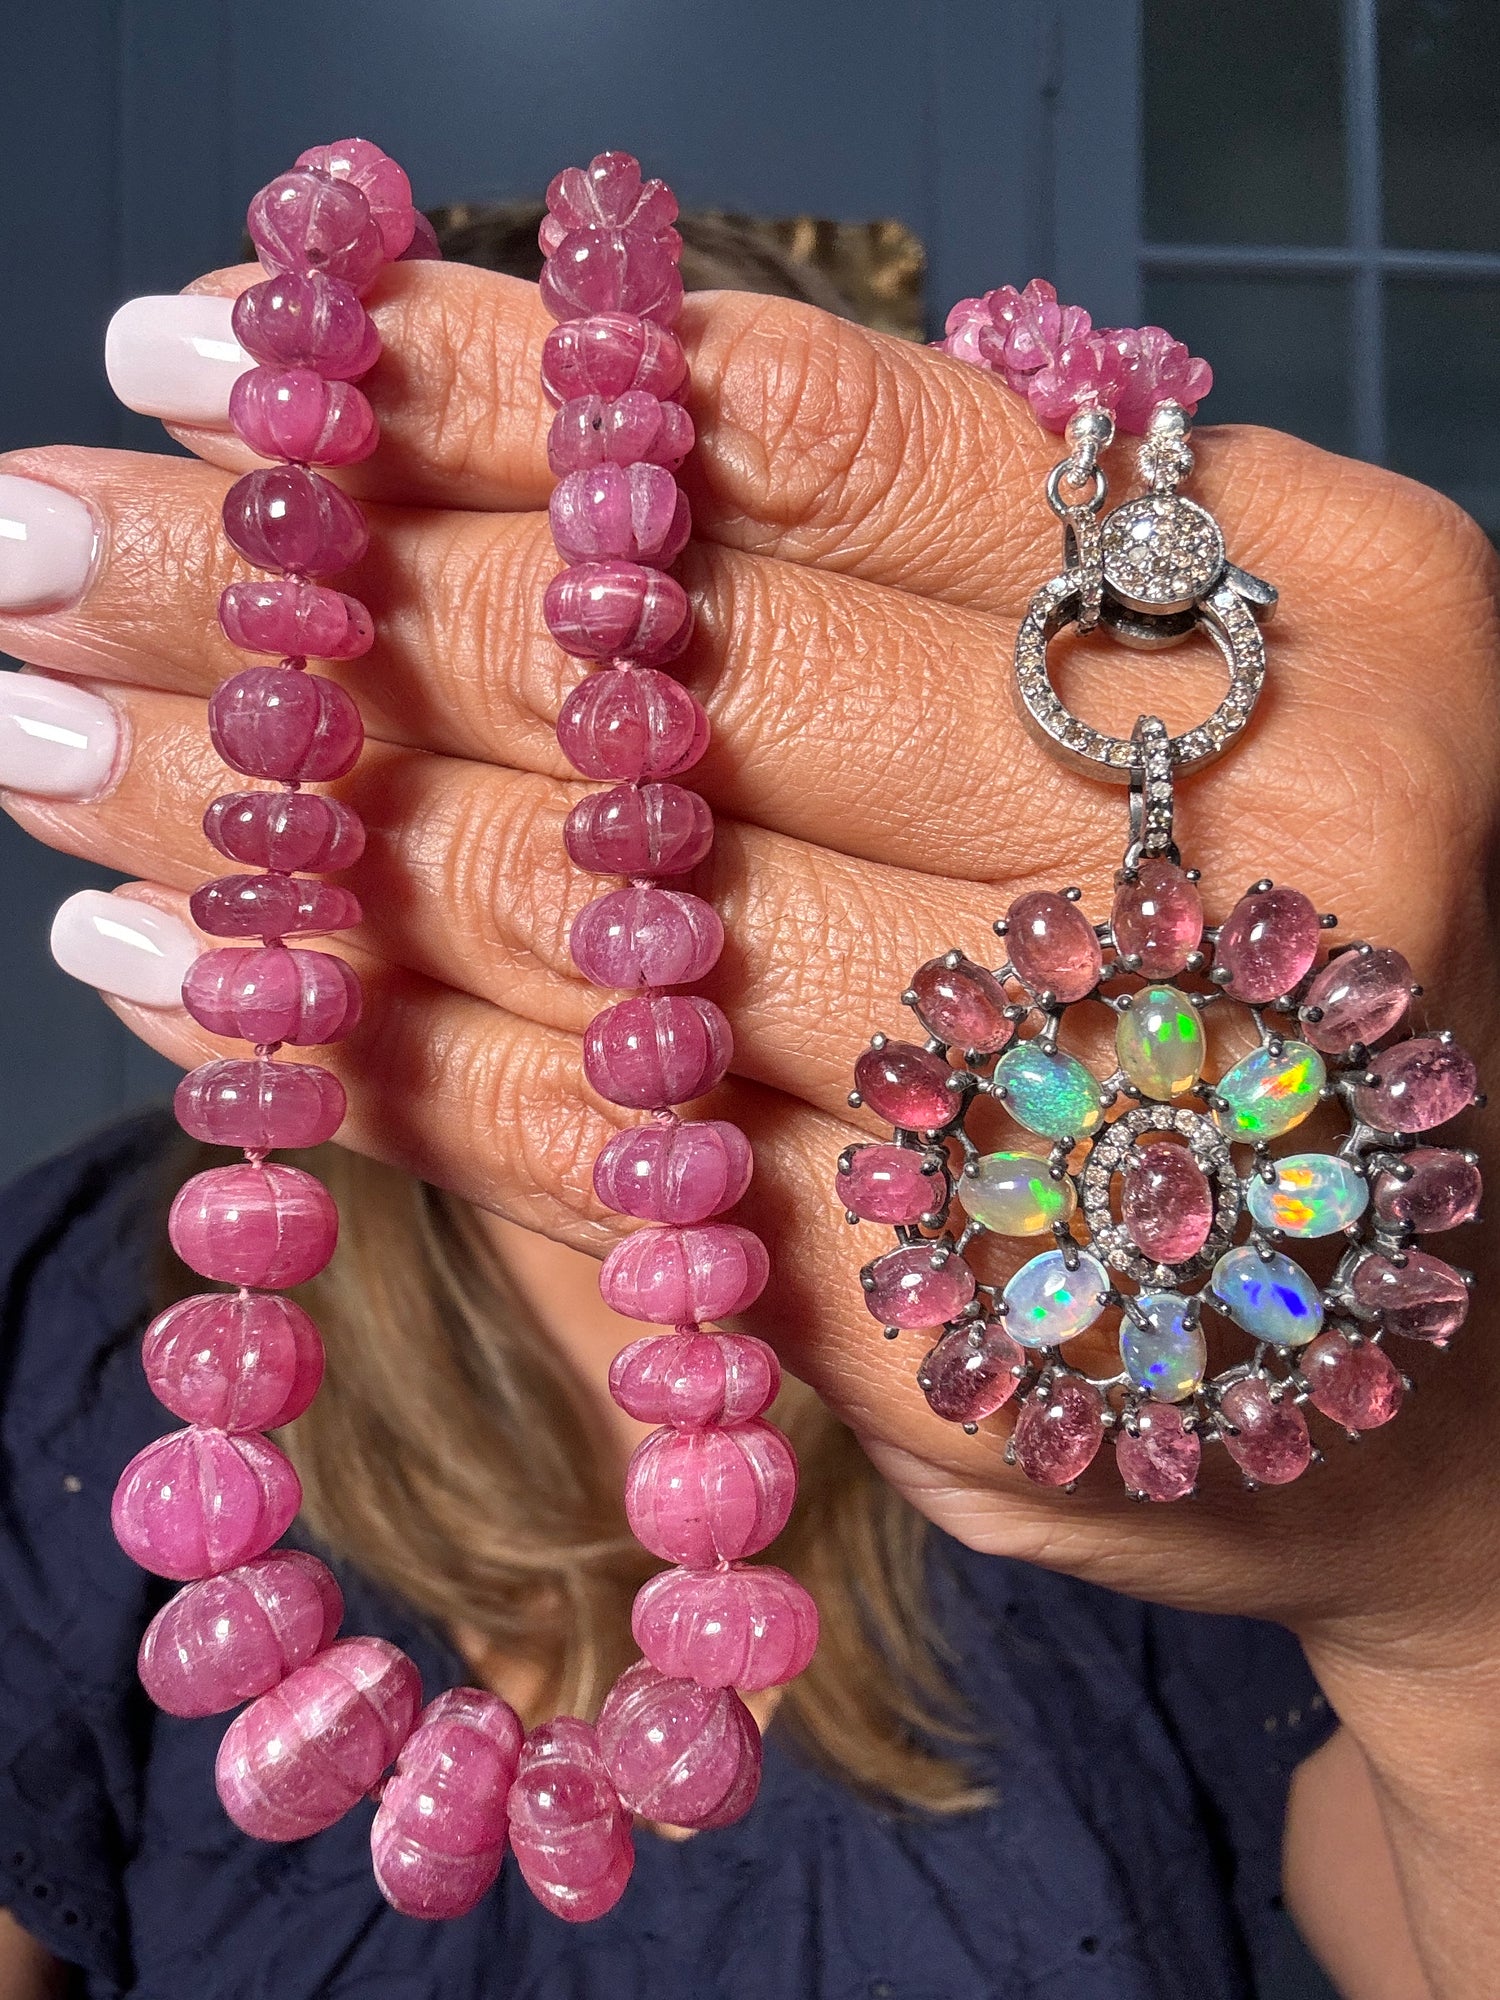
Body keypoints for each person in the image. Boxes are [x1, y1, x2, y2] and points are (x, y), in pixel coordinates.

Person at [0, 195, 1494, 2000]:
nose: (567, 743)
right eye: (476, 650)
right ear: (346, 707)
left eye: (655, 640)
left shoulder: (1136, 1403)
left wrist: (1455, 1571)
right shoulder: (67, 1333)